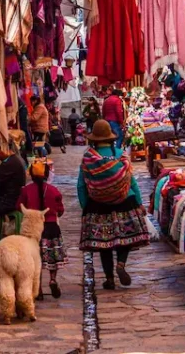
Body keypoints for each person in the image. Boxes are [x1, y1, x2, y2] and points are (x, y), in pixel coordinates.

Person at [77, 120, 149, 290]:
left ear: (94, 139)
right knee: (124, 240)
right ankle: (121, 264)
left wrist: (86, 207)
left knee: (104, 244)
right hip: (125, 202)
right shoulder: (120, 155)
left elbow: (81, 185)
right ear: (110, 138)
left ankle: (109, 278)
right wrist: (139, 202)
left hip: (98, 205)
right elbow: (131, 181)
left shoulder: (88, 159)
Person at [17, 161, 67, 299]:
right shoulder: (53, 190)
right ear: (46, 174)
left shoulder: (26, 190)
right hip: (51, 227)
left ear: (31, 175)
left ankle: (37, 288)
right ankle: (52, 279)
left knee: (34, 259)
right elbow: (60, 210)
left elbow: (18, 206)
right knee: (52, 258)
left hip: (33, 231)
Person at [0, 144, 26, 222]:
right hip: (12, 198)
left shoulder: (10, 162)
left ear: (1, 150)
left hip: (9, 201)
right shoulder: (14, 159)